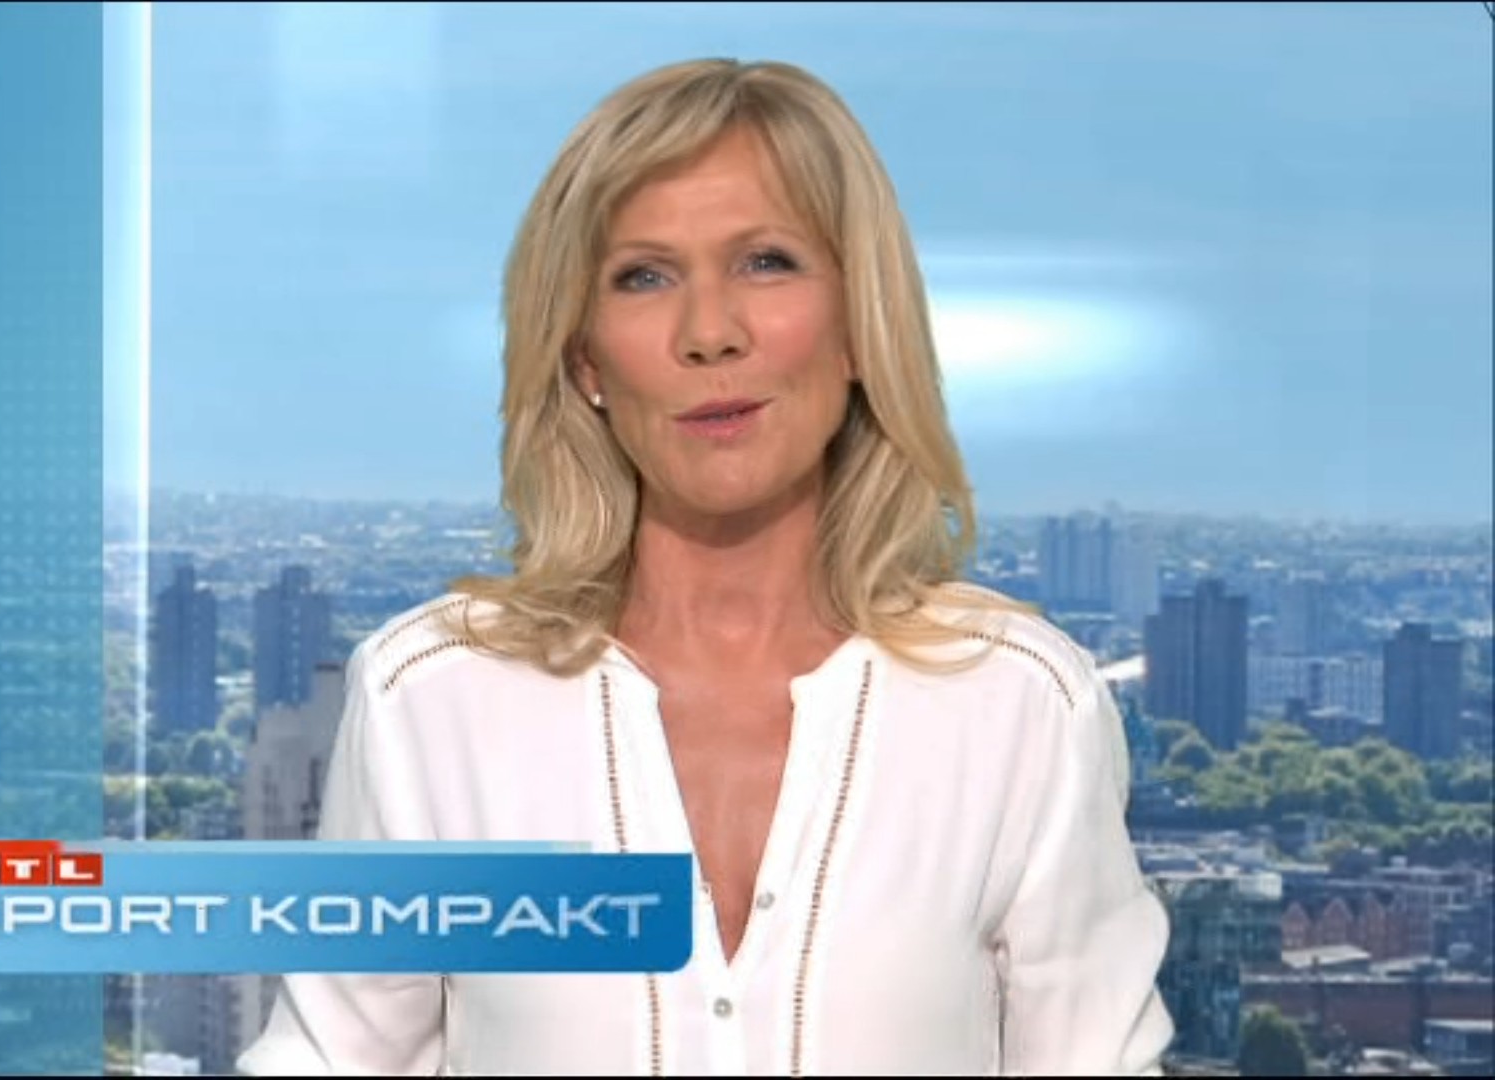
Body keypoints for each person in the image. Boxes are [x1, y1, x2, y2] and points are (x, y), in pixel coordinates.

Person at [236, 57, 1175, 1076]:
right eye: (644, 277)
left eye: (766, 262)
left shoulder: (1020, 704)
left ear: (859, 324)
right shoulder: (432, 700)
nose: (709, 334)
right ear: (586, 359)